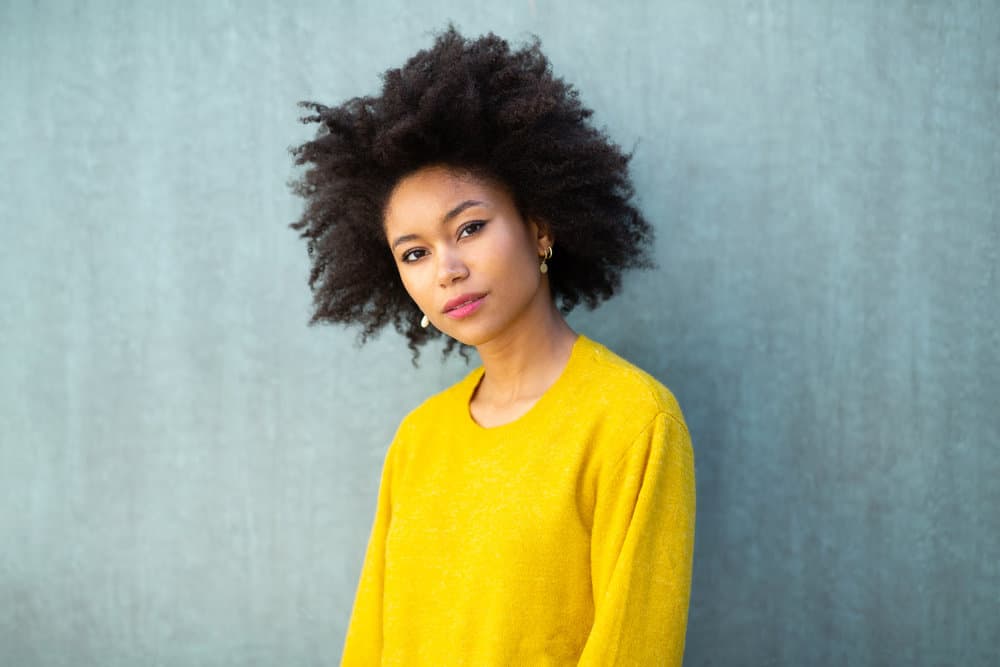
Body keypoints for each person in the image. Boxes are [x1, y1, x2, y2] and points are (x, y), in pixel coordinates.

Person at [289, 26, 696, 667]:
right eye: (415, 253)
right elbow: (373, 642)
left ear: (538, 228)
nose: (446, 269)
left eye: (470, 227)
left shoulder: (632, 421)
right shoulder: (418, 442)